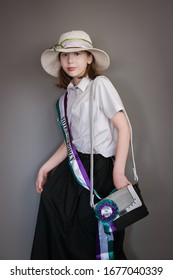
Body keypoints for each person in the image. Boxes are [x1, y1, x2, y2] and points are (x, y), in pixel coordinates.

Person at [31, 30, 131, 260]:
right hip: (76, 168)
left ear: (89, 58)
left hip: (101, 170)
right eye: (65, 55)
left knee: (96, 235)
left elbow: (123, 128)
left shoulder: (100, 85)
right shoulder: (66, 98)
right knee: (57, 215)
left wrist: (118, 172)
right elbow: (71, 143)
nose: (70, 60)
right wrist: (45, 168)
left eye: (77, 53)